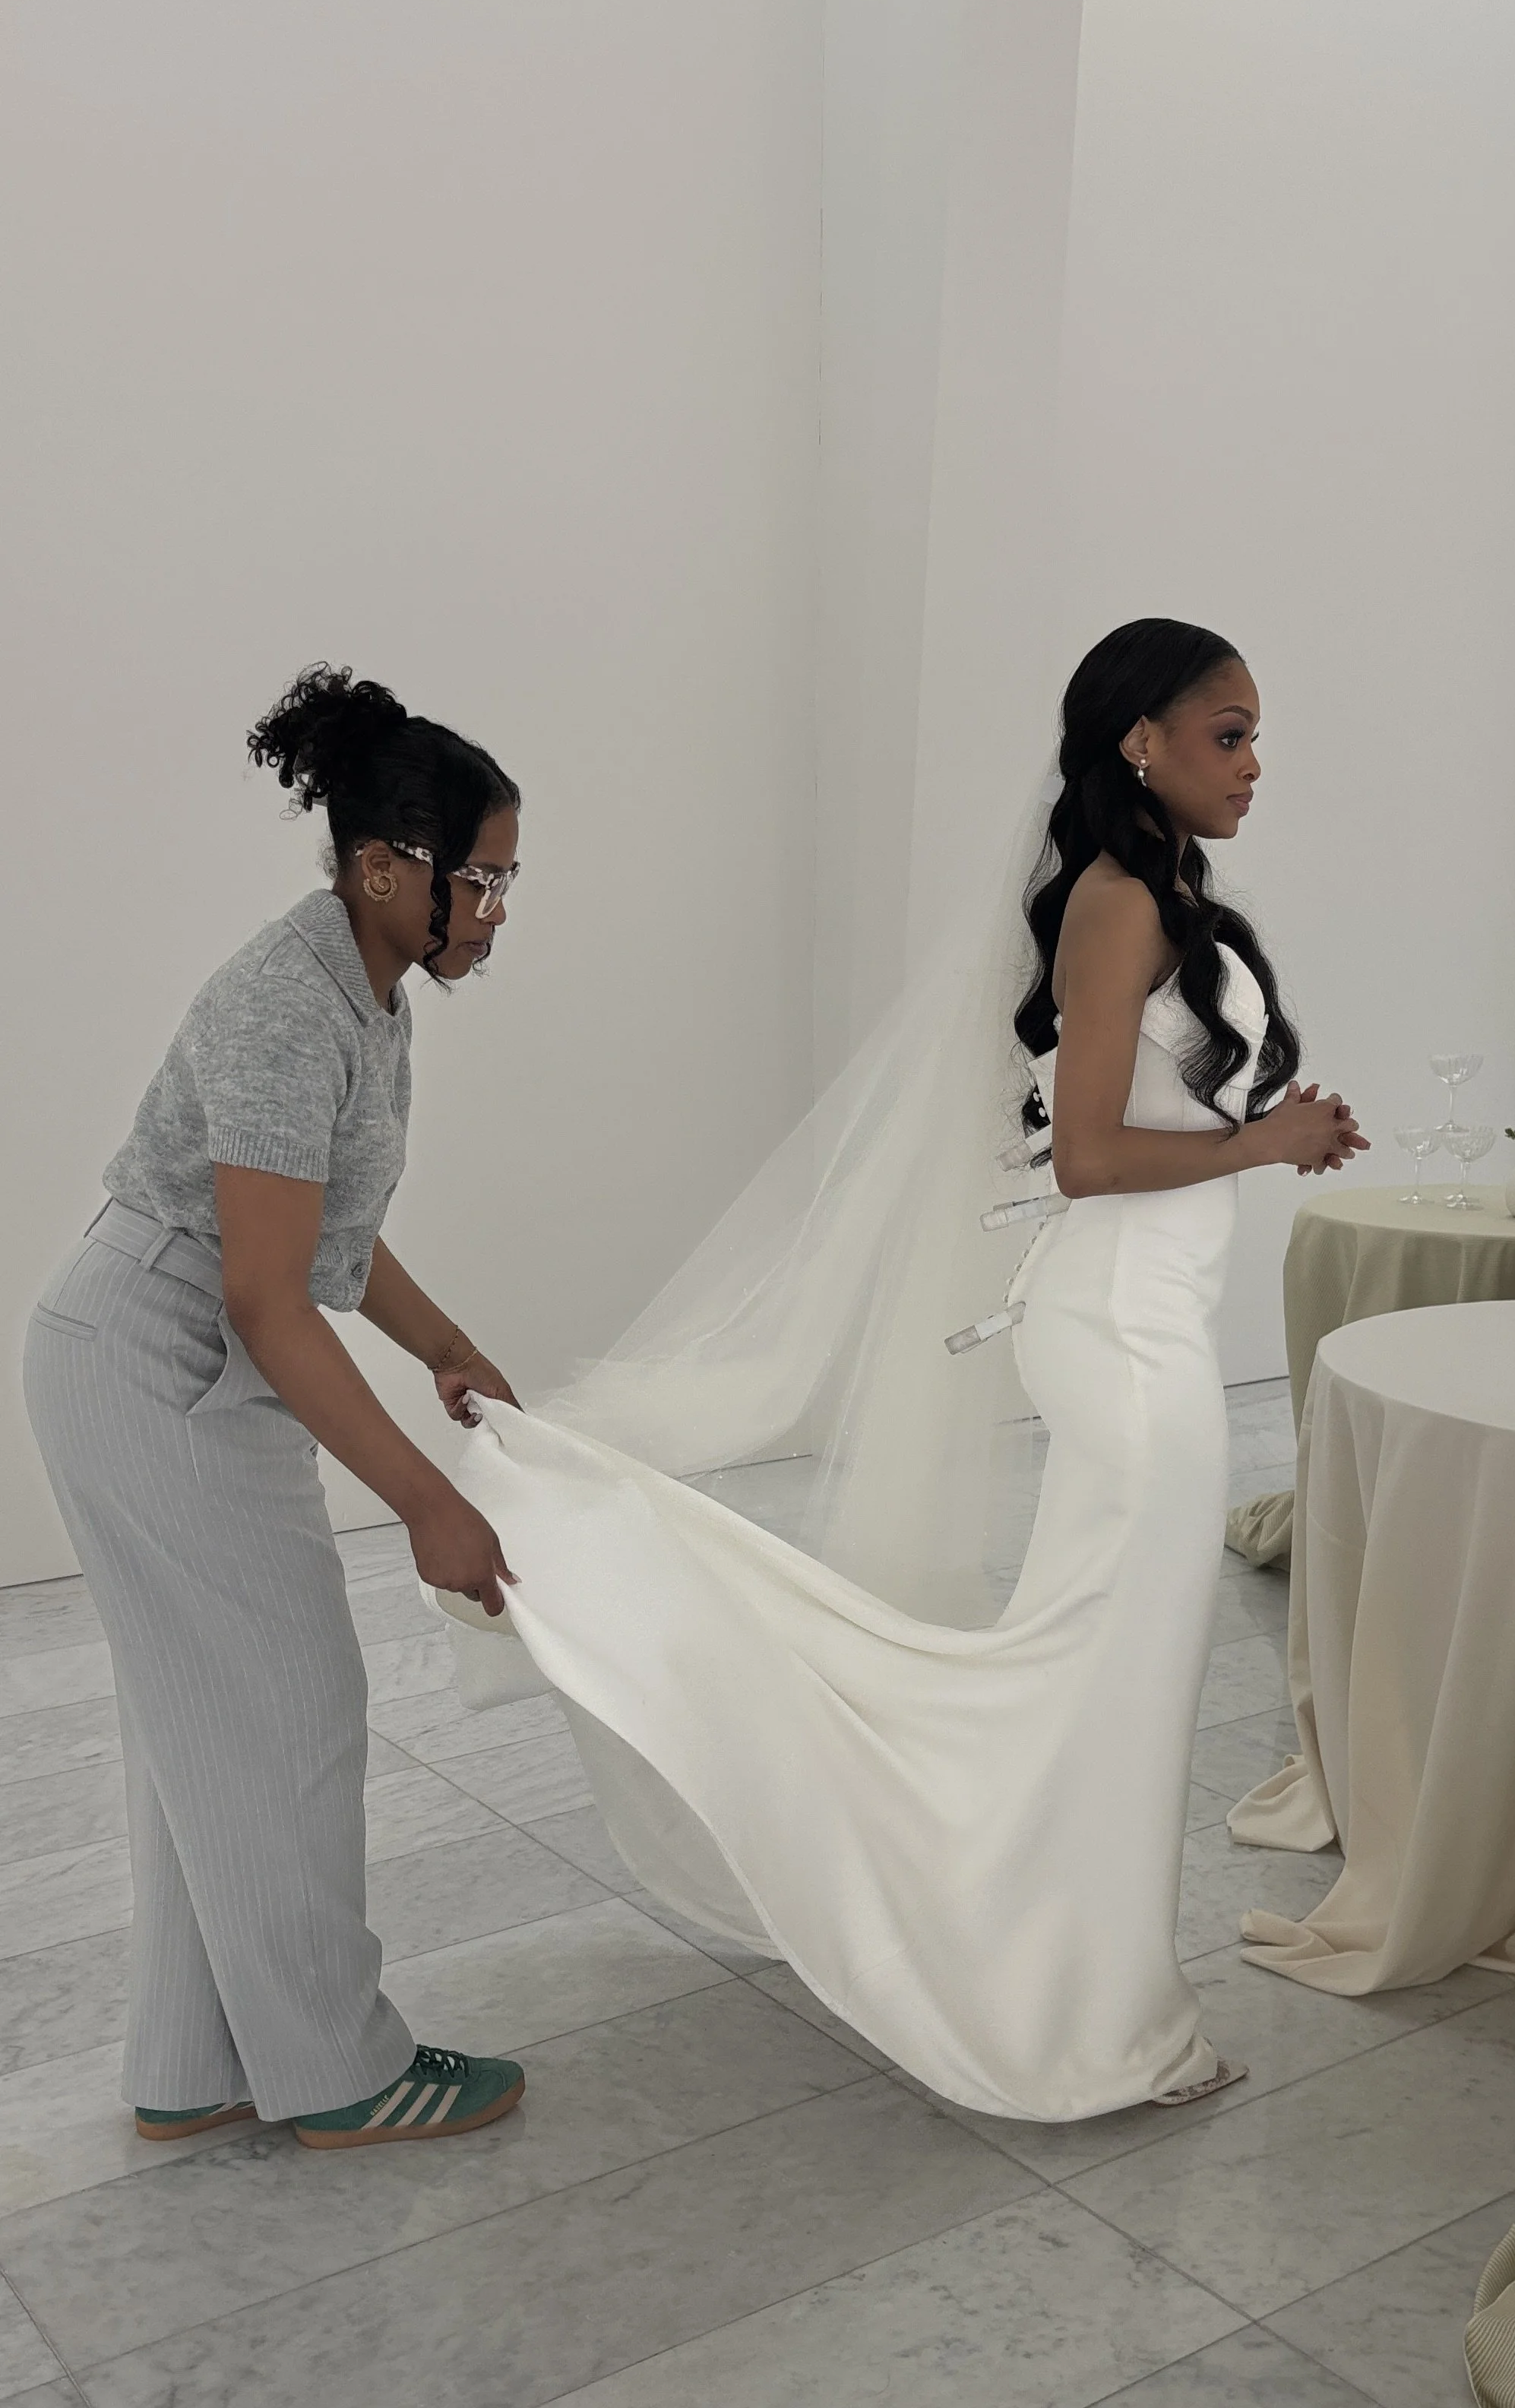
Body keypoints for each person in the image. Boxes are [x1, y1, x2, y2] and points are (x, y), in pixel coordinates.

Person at [444, 619, 1368, 2123]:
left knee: (1104, 1687)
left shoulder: (1162, 897)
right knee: (1112, 1692)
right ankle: (1084, 2022)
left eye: (1259, 735)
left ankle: (1086, 1996)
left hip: (1142, 1323)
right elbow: (1081, 1154)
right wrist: (1261, 1141)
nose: (1256, 765)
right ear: (1142, 737)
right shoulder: (1120, 903)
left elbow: (1130, 1115)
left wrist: (1262, 1125)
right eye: (1230, 734)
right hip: (1127, 1343)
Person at [23, 666, 530, 2150]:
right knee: (293, 1703)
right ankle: (338, 2069)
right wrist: (427, 1501)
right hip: (155, 1364)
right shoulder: (279, 1007)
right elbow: (263, 1294)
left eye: (509, 879)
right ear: (387, 867)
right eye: (481, 879)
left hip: (181, 1354)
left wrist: (443, 1343)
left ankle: (194, 2064)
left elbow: (327, 1237)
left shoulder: (370, 991)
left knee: (207, 1722)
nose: (497, 911)